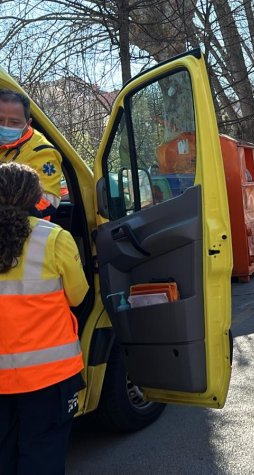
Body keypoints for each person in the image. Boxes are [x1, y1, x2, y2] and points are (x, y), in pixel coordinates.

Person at [0, 162, 88, 474]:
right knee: (42, 457)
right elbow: (78, 296)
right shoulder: (54, 238)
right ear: (34, 197)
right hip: (48, 378)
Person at [0, 89, 63, 220]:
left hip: (25, 229)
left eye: (14, 122)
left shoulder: (43, 152)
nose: (5, 126)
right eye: (0, 120)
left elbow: (48, 202)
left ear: (27, 124)